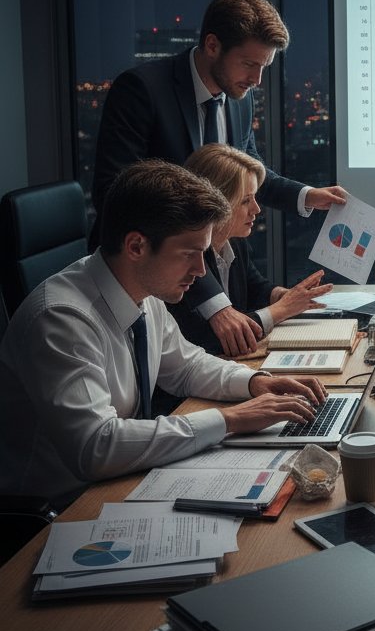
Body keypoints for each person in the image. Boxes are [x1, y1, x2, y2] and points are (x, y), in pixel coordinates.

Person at [0, 160, 327, 508]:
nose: (200, 271)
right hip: (57, 510)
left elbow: (185, 366)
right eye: (189, 253)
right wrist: (229, 420)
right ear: (137, 246)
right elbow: (96, 446)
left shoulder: (142, 292)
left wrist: (254, 382)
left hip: (120, 481)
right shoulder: (61, 319)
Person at [90, 0, 347, 355]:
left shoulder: (239, 100)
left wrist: (306, 196)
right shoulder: (143, 90)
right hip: (146, 281)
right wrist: (214, 302)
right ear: (212, 45)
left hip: (206, 267)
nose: (257, 79)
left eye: (264, 66)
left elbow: (246, 172)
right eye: (249, 64)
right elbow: (115, 198)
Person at [175, 144, 333, 355]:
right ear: (217, 203)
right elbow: (210, 340)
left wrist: (285, 296)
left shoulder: (235, 242)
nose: (257, 209)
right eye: (246, 200)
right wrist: (281, 309)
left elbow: (256, 288)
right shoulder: (185, 262)